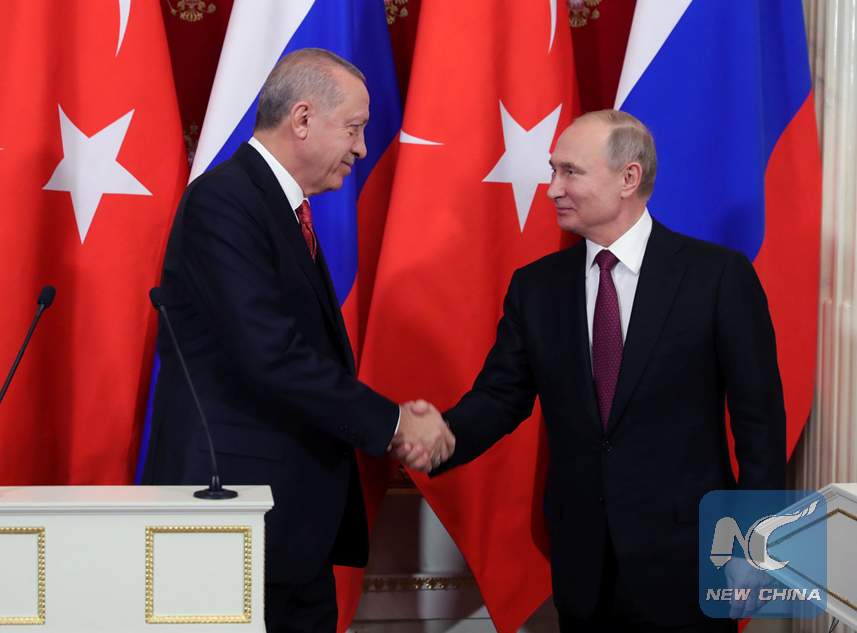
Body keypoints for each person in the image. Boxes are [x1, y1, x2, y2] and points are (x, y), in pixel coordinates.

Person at [427, 110, 786, 631]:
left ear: (628, 178)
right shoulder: (537, 287)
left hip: (689, 563)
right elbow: (500, 397)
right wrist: (433, 437)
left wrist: (757, 545)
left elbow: (760, 425)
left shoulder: (716, 276)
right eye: (553, 171)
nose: (553, 188)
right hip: (584, 569)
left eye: (570, 172)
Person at [141, 48, 454, 633]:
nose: (363, 148)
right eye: (354, 128)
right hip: (232, 518)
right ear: (302, 119)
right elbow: (272, 354)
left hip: (289, 527)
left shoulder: (280, 209)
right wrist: (393, 424)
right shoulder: (224, 201)